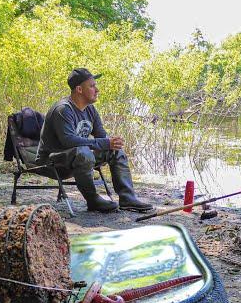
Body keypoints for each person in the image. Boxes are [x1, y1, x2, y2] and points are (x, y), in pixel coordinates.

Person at [35, 68, 153, 213]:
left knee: (115, 151)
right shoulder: (63, 109)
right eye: (92, 86)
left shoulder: (90, 109)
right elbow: (68, 141)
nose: (97, 90)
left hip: (74, 157)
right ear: (79, 89)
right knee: (84, 153)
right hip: (52, 161)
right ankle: (93, 200)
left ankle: (127, 198)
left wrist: (112, 142)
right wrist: (105, 143)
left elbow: (101, 136)